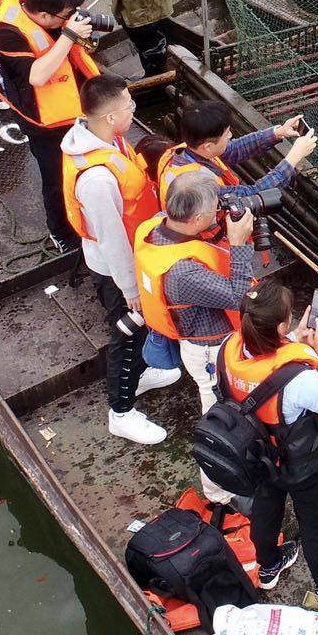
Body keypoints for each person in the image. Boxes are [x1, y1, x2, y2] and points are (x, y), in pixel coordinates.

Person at [59, 74, 180, 444]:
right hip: (116, 269)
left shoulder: (103, 140)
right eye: (129, 106)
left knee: (140, 330)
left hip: (135, 252)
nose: (133, 110)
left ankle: (141, 375)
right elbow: (111, 238)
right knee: (126, 334)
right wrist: (130, 288)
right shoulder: (97, 179)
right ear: (110, 117)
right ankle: (121, 411)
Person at [222, 279, 318, 595]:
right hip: (302, 465)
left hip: (257, 453)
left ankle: (268, 566)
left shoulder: (229, 349)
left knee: (266, 510)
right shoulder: (298, 380)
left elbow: (264, 363)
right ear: (281, 325)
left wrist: (295, 337)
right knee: (314, 523)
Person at [134, 172, 257, 505]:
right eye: (215, 208)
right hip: (209, 351)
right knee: (219, 421)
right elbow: (240, 295)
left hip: (203, 341)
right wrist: (238, 243)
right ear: (198, 218)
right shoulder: (184, 272)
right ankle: (218, 492)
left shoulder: (156, 226)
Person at [0, 0, 103, 251]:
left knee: (87, 166)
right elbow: (37, 76)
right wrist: (69, 36)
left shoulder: (48, 12)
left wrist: (78, 33)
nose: (68, 20)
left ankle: (88, 215)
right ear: (43, 15)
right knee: (56, 178)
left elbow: (72, 49)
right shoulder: (8, 33)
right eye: (65, 16)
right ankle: (61, 233)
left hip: (74, 104)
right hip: (42, 120)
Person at [154, 99, 318, 208]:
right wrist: (293, 158)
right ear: (208, 146)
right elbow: (251, 195)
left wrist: (278, 132)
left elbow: (233, 150)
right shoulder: (198, 186)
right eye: (227, 134)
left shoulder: (191, 149)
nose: (231, 137)